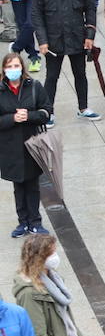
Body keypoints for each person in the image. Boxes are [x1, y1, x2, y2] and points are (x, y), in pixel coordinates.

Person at [31, 0, 98, 120]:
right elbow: (37, 17)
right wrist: (42, 41)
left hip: (77, 38)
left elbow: (90, 9)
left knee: (80, 74)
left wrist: (89, 35)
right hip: (54, 41)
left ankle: (83, 108)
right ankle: (48, 112)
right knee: (51, 76)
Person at [0, 52, 51, 237]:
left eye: (16, 66)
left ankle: (35, 222)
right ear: (4, 70)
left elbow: (46, 111)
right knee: (18, 186)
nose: (13, 70)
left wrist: (29, 116)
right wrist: (12, 118)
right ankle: (23, 222)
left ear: (22, 67)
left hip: (32, 144)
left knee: (32, 185)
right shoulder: (1, 91)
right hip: (9, 148)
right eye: (9, 66)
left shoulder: (34, 87)